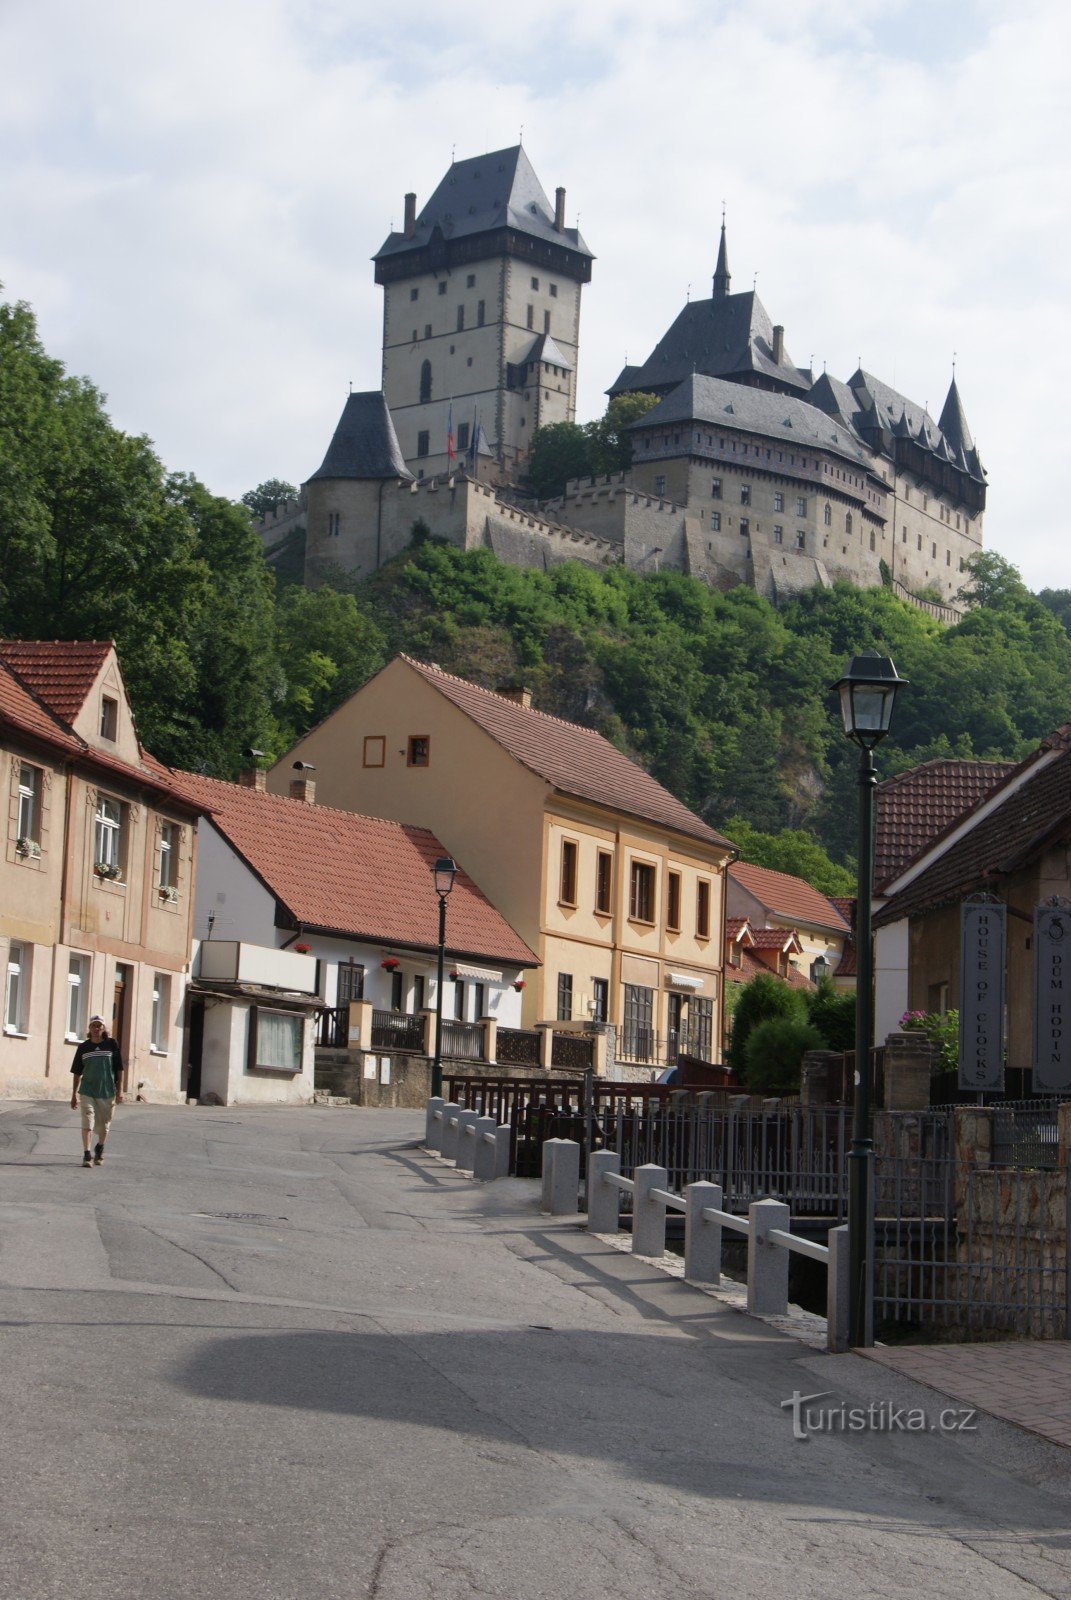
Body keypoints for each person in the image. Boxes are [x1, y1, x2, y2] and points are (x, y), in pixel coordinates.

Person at [70, 1015, 124, 1167]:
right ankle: (87, 1154)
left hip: (107, 1092)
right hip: (87, 1091)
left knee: (104, 1125)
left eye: (99, 1025)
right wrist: (74, 1094)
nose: (96, 1028)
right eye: (93, 1025)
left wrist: (120, 1090)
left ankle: (99, 1147)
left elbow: (119, 1068)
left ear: (103, 1028)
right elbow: (77, 1072)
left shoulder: (111, 1044)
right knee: (88, 1119)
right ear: (89, 1028)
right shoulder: (83, 1048)